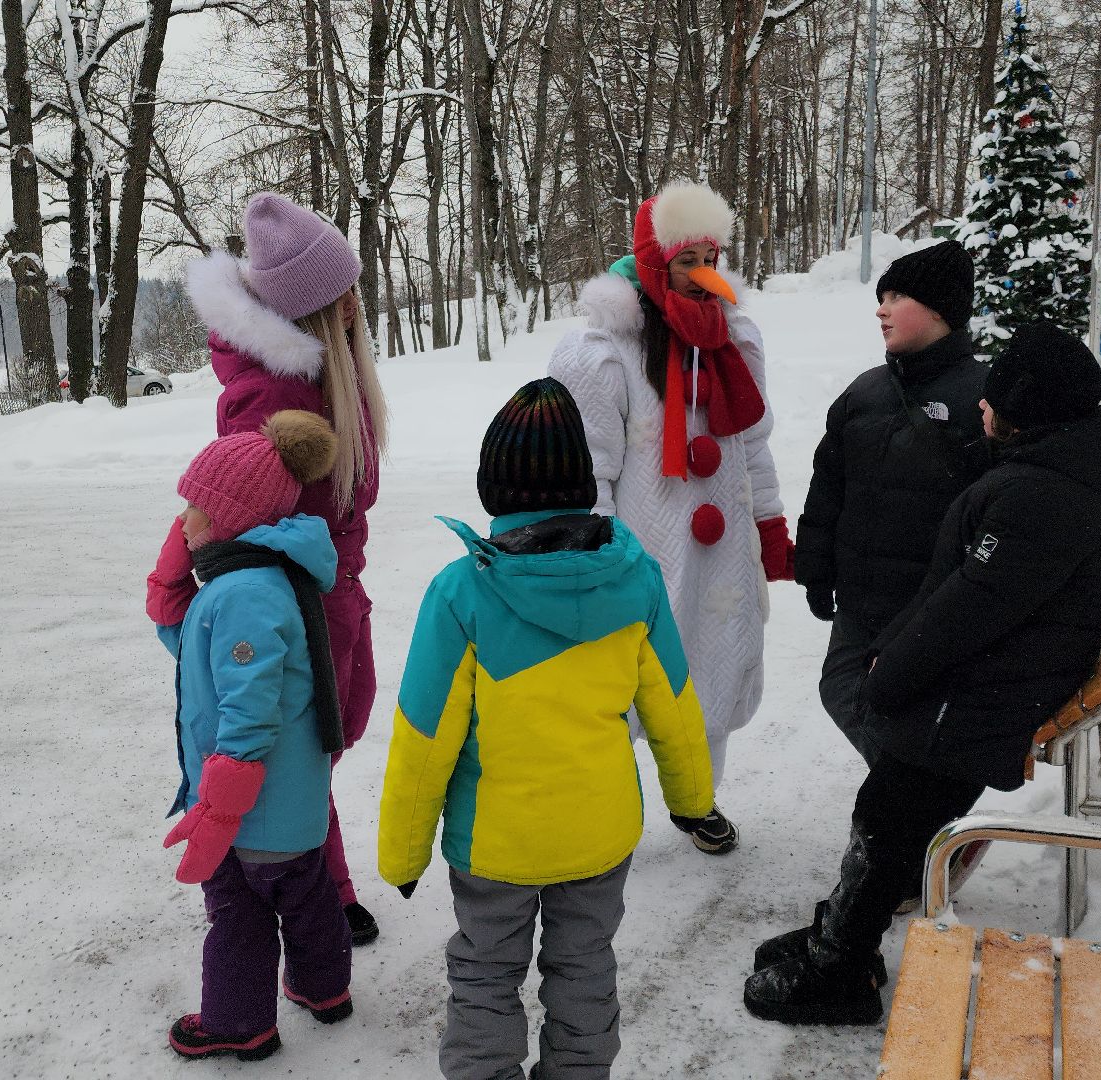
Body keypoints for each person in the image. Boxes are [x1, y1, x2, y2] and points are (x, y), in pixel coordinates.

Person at [744, 323, 1101, 1026]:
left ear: (1024, 408)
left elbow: (966, 612)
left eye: (993, 400)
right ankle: (837, 935)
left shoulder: (1042, 496)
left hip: (991, 693)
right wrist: (893, 656)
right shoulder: (1056, 472)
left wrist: (887, 677)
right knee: (889, 805)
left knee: (889, 810)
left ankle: (840, 967)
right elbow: (954, 595)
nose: (980, 410)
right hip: (1005, 676)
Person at [379, 379, 715, 1080]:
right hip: (599, 836)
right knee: (585, 966)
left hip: (495, 844)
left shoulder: (461, 593)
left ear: (492, 492)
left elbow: (423, 736)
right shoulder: (638, 581)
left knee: (484, 974)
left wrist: (403, 857)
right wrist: (691, 801)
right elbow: (675, 708)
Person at [548, 181, 789, 855]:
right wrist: (590, 556)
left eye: (713, 255)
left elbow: (750, 445)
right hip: (639, 551)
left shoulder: (735, 337)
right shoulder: (603, 349)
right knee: (622, 685)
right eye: (689, 259)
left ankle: (696, 799)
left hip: (722, 551)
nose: (704, 272)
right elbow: (584, 468)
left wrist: (769, 529)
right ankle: (603, 808)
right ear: (656, 260)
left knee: (711, 670)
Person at [185, 192, 392, 946]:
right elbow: (227, 495)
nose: (355, 309)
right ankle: (314, 893)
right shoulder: (270, 397)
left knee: (318, 742)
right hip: (288, 603)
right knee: (297, 745)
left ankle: (320, 887)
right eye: (341, 299)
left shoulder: (327, 379)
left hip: (329, 588)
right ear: (311, 311)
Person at [149, 410, 355, 1061]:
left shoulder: (243, 592)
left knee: (238, 910)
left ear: (231, 518)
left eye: (193, 509)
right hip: (291, 802)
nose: (181, 522)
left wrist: (221, 799)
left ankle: (240, 1022)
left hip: (250, 810)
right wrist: (169, 580)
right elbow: (190, 644)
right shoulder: (260, 580)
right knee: (306, 892)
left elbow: (250, 706)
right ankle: (325, 989)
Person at [795, 240, 993, 765]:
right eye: (881, 296)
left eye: (897, 295)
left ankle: (905, 816)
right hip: (861, 598)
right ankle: (912, 800)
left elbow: (1003, 507)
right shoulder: (863, 393)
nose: (880, 309)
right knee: (841, 690)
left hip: (930, 604)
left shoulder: (983, 397)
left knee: (899, 712)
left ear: (940, 310)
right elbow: (827, 487)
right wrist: (814, 567)